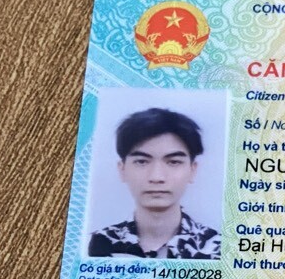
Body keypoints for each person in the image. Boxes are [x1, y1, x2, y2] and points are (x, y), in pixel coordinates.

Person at [88, 107, 221, 259]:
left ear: (192, 170)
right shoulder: (92, 246)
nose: (157, 177)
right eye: (141, 161)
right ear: (122, 169)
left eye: (174, 162)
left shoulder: (218, 250)